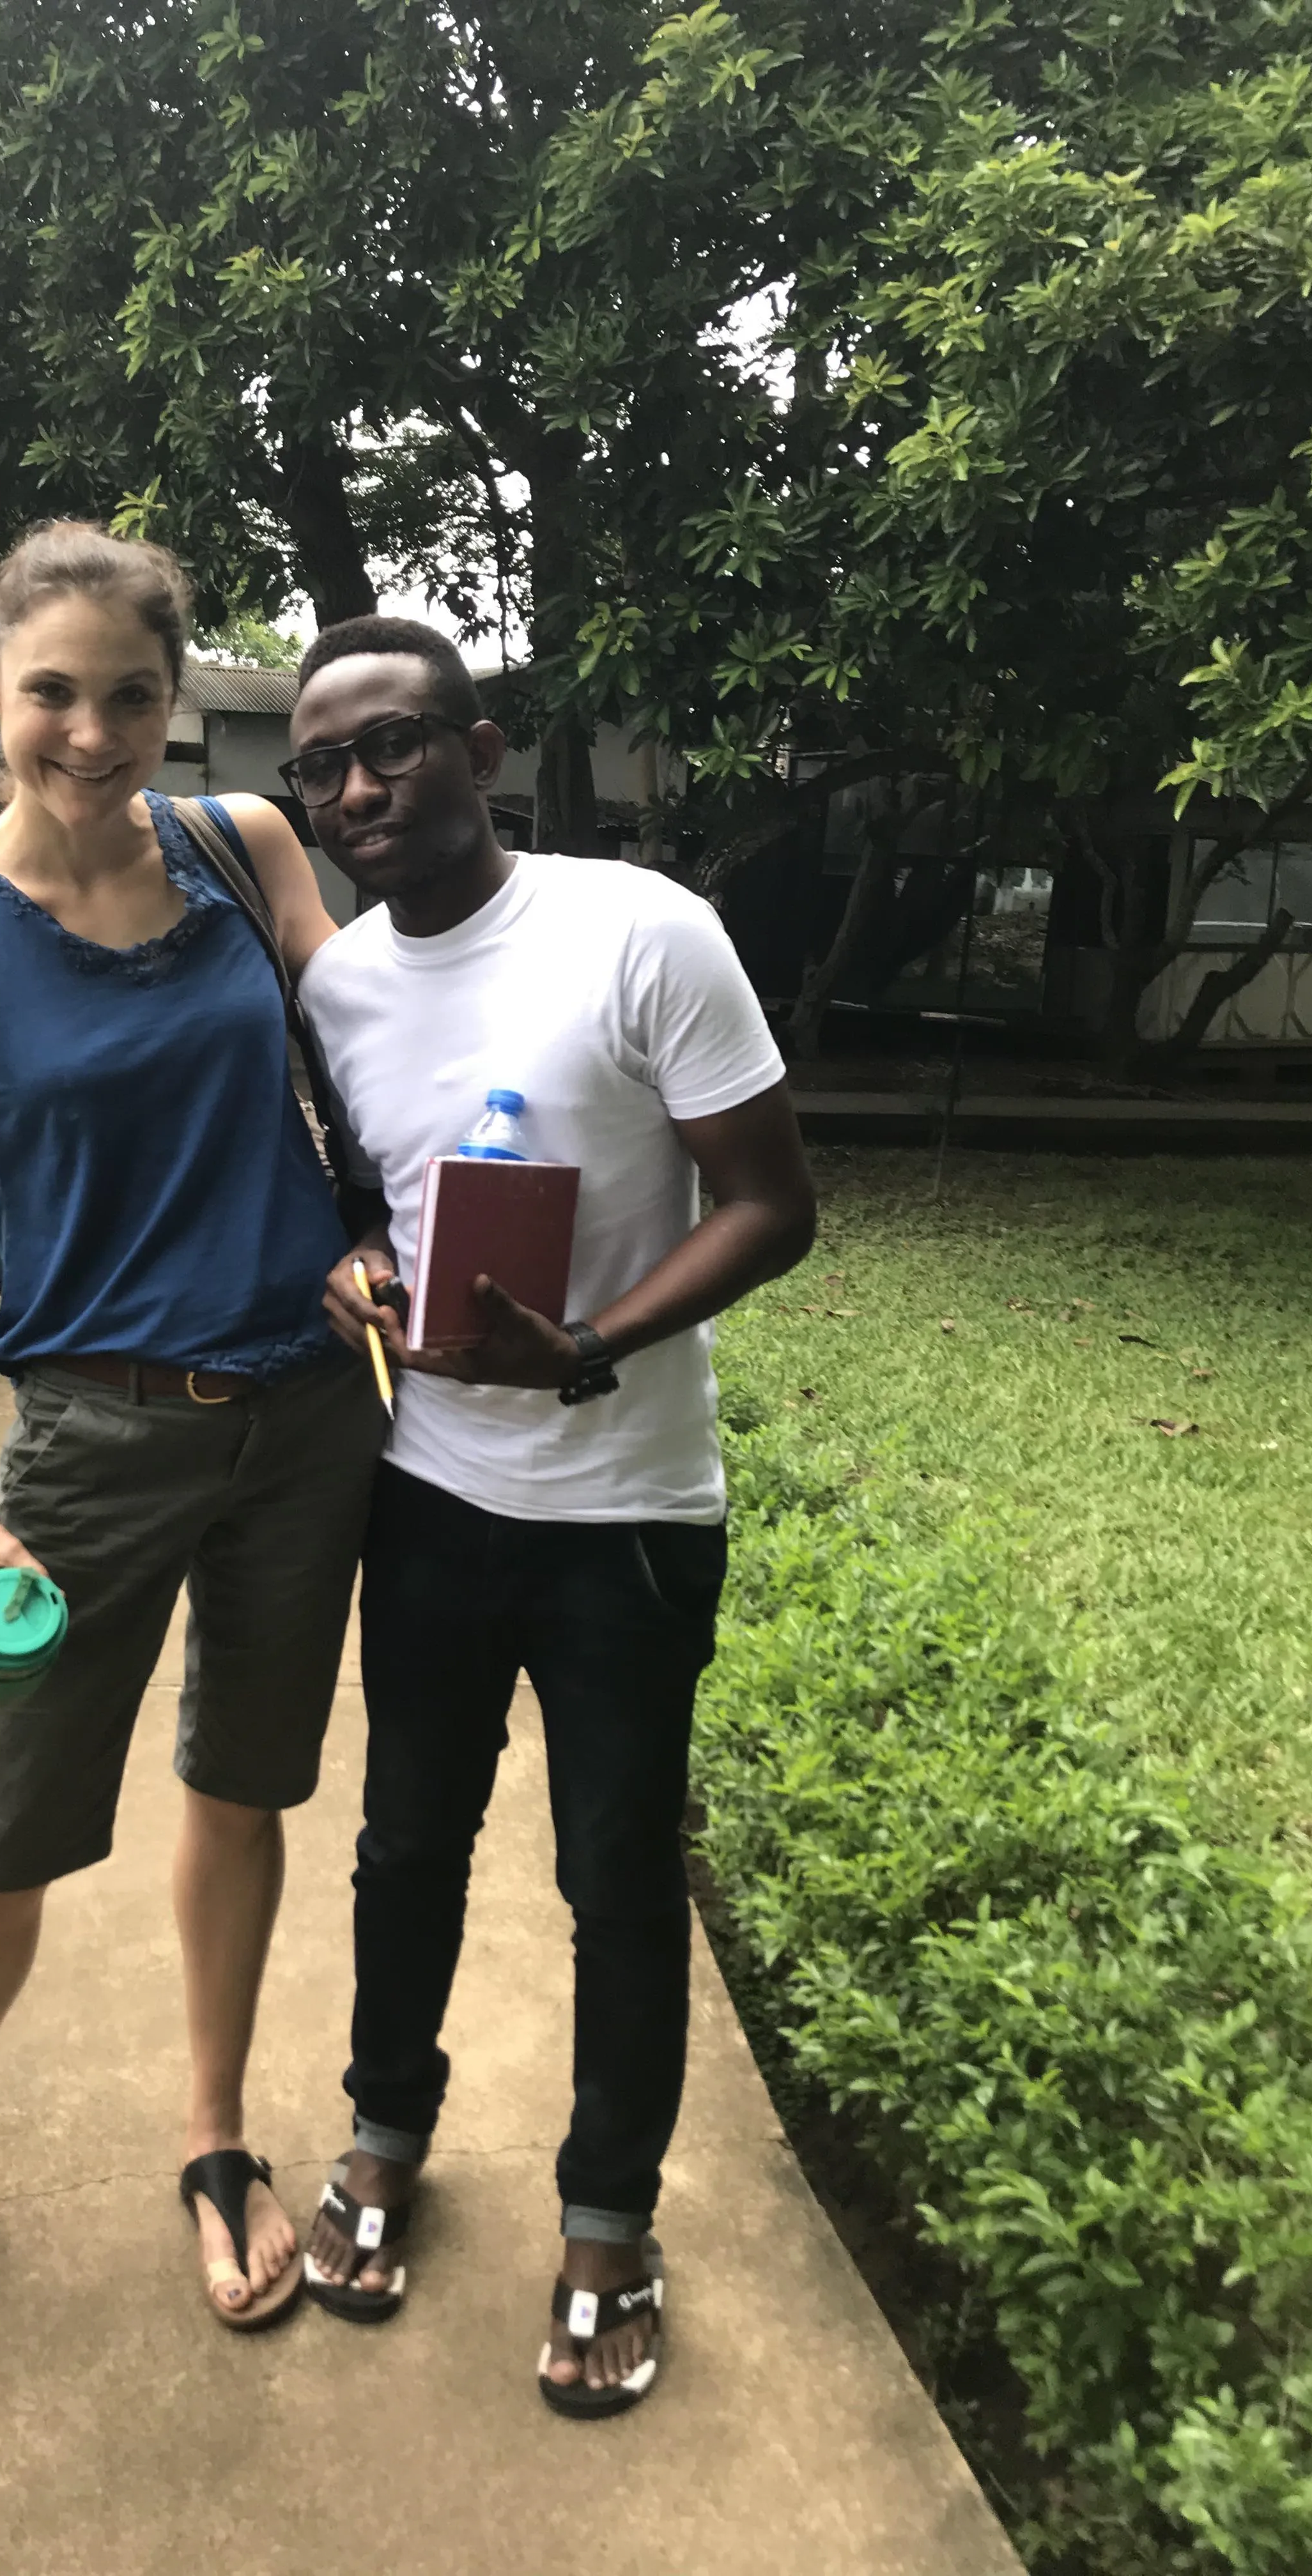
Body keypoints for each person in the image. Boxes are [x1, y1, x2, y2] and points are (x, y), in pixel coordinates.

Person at [0, 523, 385, 2385]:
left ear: (177, 700)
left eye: (135, 696)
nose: (95, 732)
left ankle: (213, 2135)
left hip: (302, 1422)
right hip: (90, 1449)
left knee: (244, 1786)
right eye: (53, 691)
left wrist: (385, 1227)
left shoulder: (245, 850)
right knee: (10, 1834)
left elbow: (382, 1066)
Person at [289, 617, 816, 2418]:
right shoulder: (342, 988)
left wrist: (589, 1346)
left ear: (482, 749)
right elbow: (372, 1194)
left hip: (633, 1515)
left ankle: (608, 2222)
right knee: (404, 1849)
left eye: (395, 747)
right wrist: (357, 1262)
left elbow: (771, 1205)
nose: (359, 788)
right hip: (428, 1498)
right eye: (324, 768)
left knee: (614, 1883)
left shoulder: (639, 931)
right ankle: (382, 2133)